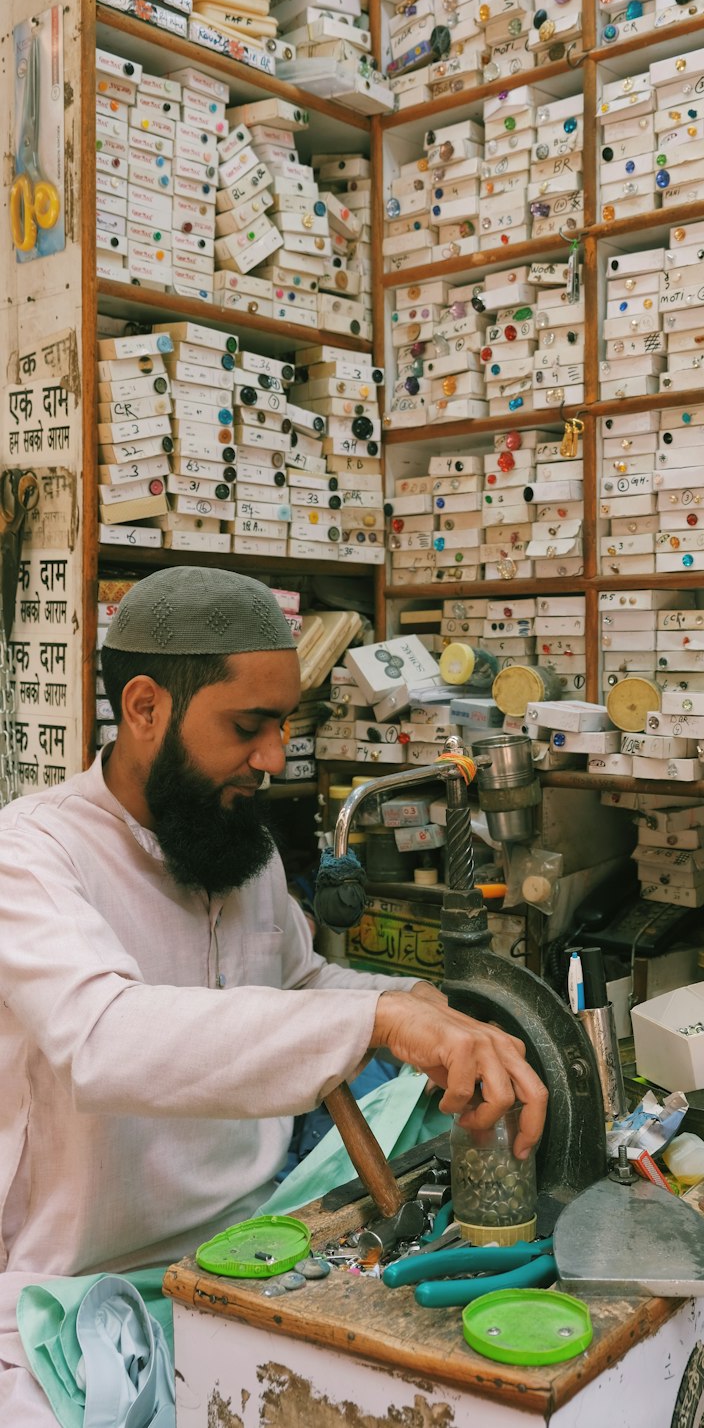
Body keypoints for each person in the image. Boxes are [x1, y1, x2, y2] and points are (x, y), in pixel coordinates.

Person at [0, 567, 548, 1423]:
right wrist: (378, 1018)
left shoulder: (232, 847)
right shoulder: (31, 857)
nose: (273, 756)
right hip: (79, 1301)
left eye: (285, 725)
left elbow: (298, 984)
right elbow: (105, 1038)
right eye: (248, 726)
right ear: (144, 708)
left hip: (265, 1248)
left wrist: (422, 1003)